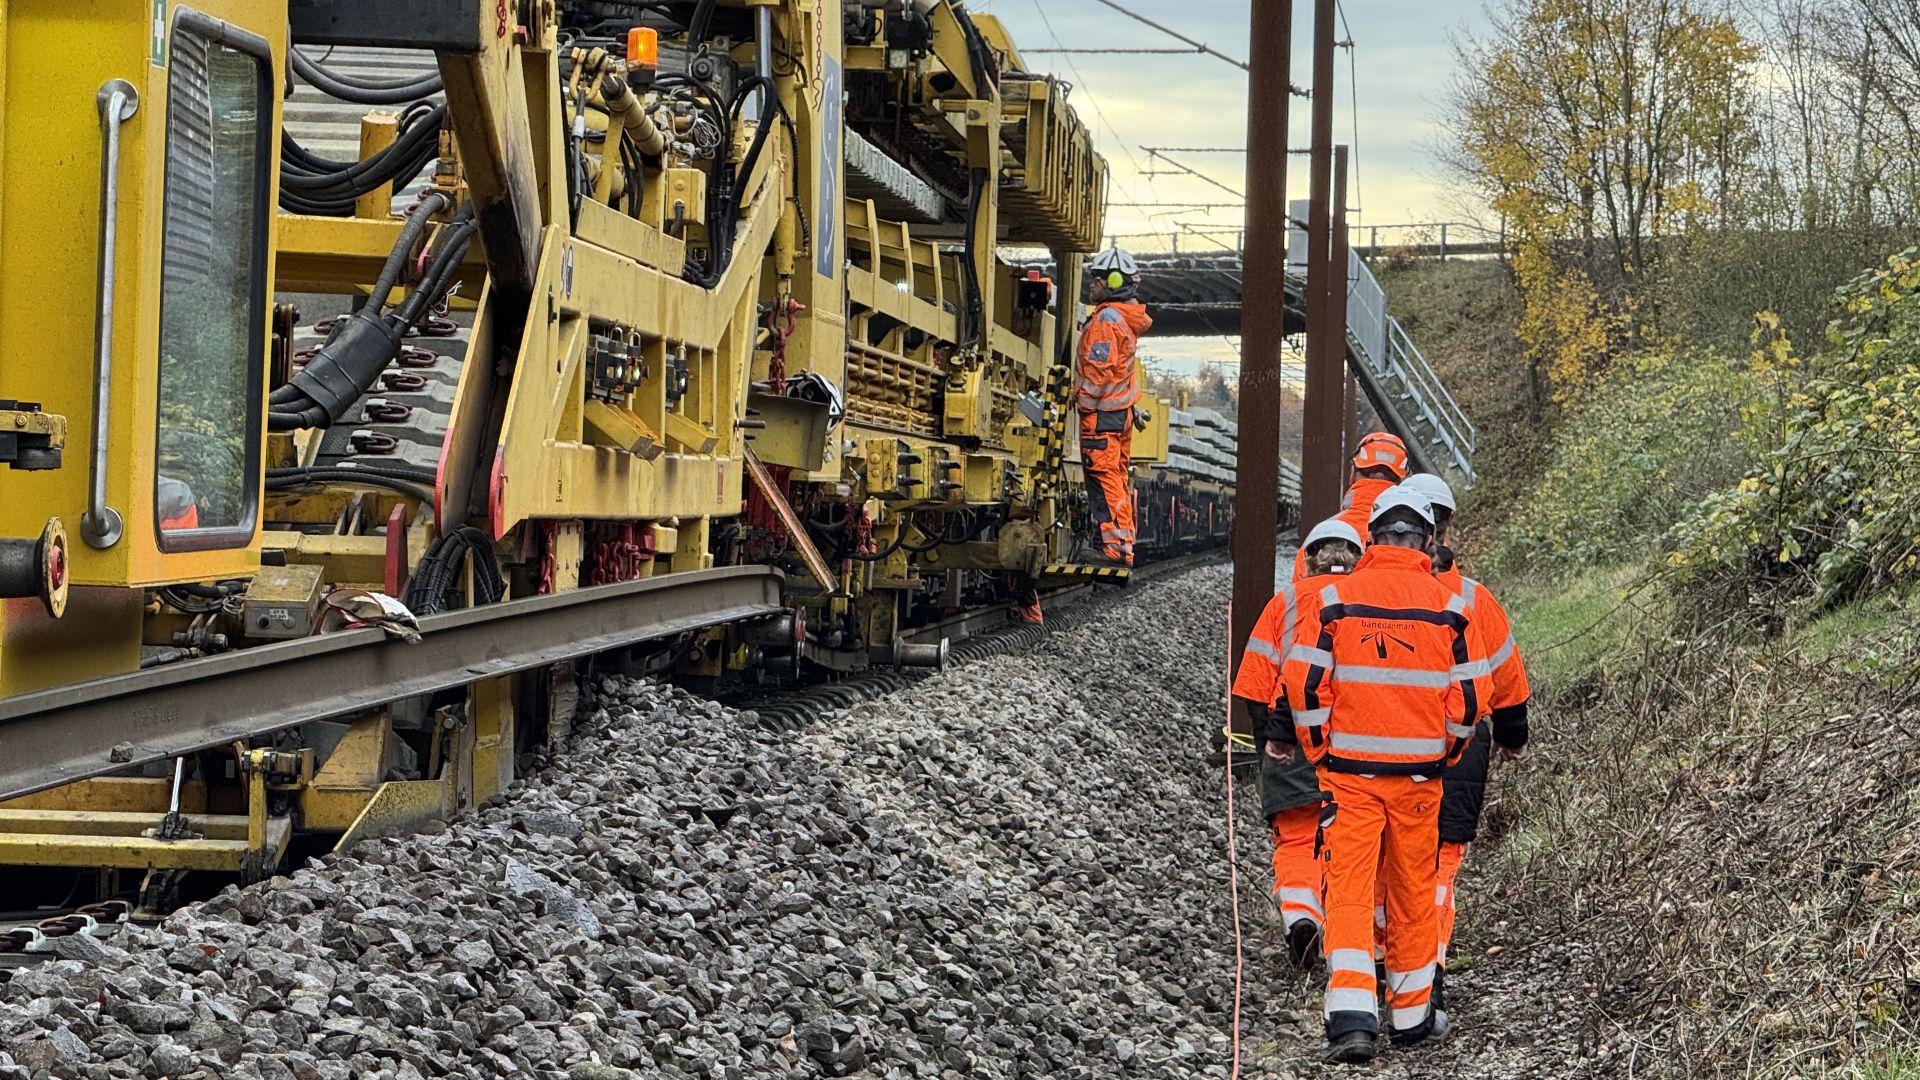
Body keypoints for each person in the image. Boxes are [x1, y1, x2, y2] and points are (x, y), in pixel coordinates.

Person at [1279, 487, 1491, 1064]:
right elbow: (1470, 699)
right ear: (1429, 539)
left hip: (1349, 778)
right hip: (1421, 781)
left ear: (1370, 538)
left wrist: (1322, 748)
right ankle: (1413, 1019)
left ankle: (1351, 1022)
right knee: (1413, 892)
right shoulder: (1452, 607)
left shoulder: (1334, 600)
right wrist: (1444, 752)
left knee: (1348, 891)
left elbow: (1302, 685)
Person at [1399, 472, 1530, 1001]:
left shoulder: (1362, 599)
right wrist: (1512, 736)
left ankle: (1382, 964)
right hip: (1462, 746)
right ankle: (1425, 969)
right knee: (1440, 864)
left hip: (1379, 750)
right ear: (1445, 530)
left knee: (1389, 860)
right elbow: (1508, 678)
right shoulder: (1473, 599)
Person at [1231, 517, 1364, 967]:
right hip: (1350, 741)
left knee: (1294, 839)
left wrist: (1268, 741)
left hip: (1288, 741)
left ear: (1308, 559)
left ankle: (1300, 917)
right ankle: (1345, 934)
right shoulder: (1364, 604)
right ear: (1358, 559)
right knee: (1349, 840)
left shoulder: (1283, 604)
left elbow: (1252, 683)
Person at [1076, 247, 1153, 567]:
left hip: (1101, 414)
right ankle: (1123, 545)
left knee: (1104, 477)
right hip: (1119, 412)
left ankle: (1112, 549)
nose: (1092, 285)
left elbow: (1098, 369)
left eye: (1097, 279)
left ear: (1114, 281)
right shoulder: (1121, 317)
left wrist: (1083, 402)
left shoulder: (1107, 319)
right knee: (1116, 478)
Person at [1291, 432, 1409, 581]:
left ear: (1352, 474)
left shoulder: (1320, 538)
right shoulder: (1419, 539)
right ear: (1401, 481)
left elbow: (1301, 596)